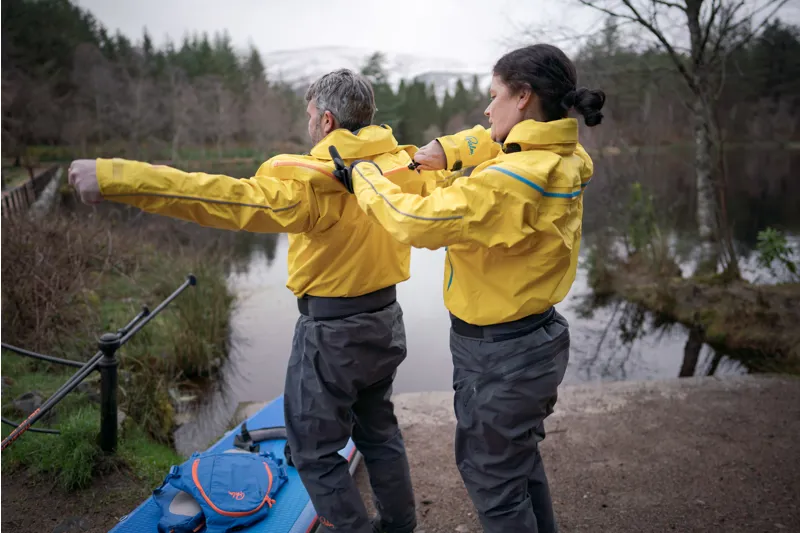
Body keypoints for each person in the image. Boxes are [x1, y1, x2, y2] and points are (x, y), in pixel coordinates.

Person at [68, 69, 425, 533]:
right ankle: (400, 527)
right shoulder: (404, 167)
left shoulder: (310, 187)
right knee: (378, 433)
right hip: (385, 322)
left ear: (328, 122)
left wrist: (116, 177)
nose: (308, 122)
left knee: (315, 452)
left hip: (332, 337)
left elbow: (215, 197)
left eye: (310, 114)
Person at [326, 44, 605, 533]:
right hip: (537, 340)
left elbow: (415, 221)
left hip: (501, 359)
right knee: (518, 464)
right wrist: (451, 151)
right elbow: (495, 144)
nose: (485, 107)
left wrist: (364, 176)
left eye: (493, 95)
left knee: (494, 486)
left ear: (522, 97)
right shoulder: (564, 154)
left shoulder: (510, 181)